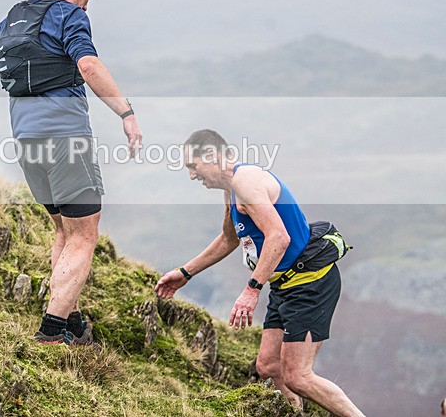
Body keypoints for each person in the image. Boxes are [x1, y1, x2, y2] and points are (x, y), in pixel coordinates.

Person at [0, 0, 142, 346]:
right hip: (65, 137)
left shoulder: (11, 20)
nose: (89, 3)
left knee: (63, 228)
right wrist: (126, 112)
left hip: (26, 140)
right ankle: (52, 332)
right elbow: (88, 66)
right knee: (84, 235)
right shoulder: (69, 16)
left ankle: (71, 321)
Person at [155, 129, 364, 417]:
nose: (192, 175)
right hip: (285, 284)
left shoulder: (246, 182)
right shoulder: (232, 191)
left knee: (298, 376)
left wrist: (251, 290)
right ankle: (295, 413)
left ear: (212, 157)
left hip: (310, 281)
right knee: (267, 366)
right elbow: (229, 239)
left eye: (193, 166)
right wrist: (185, 272)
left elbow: (279, 237)